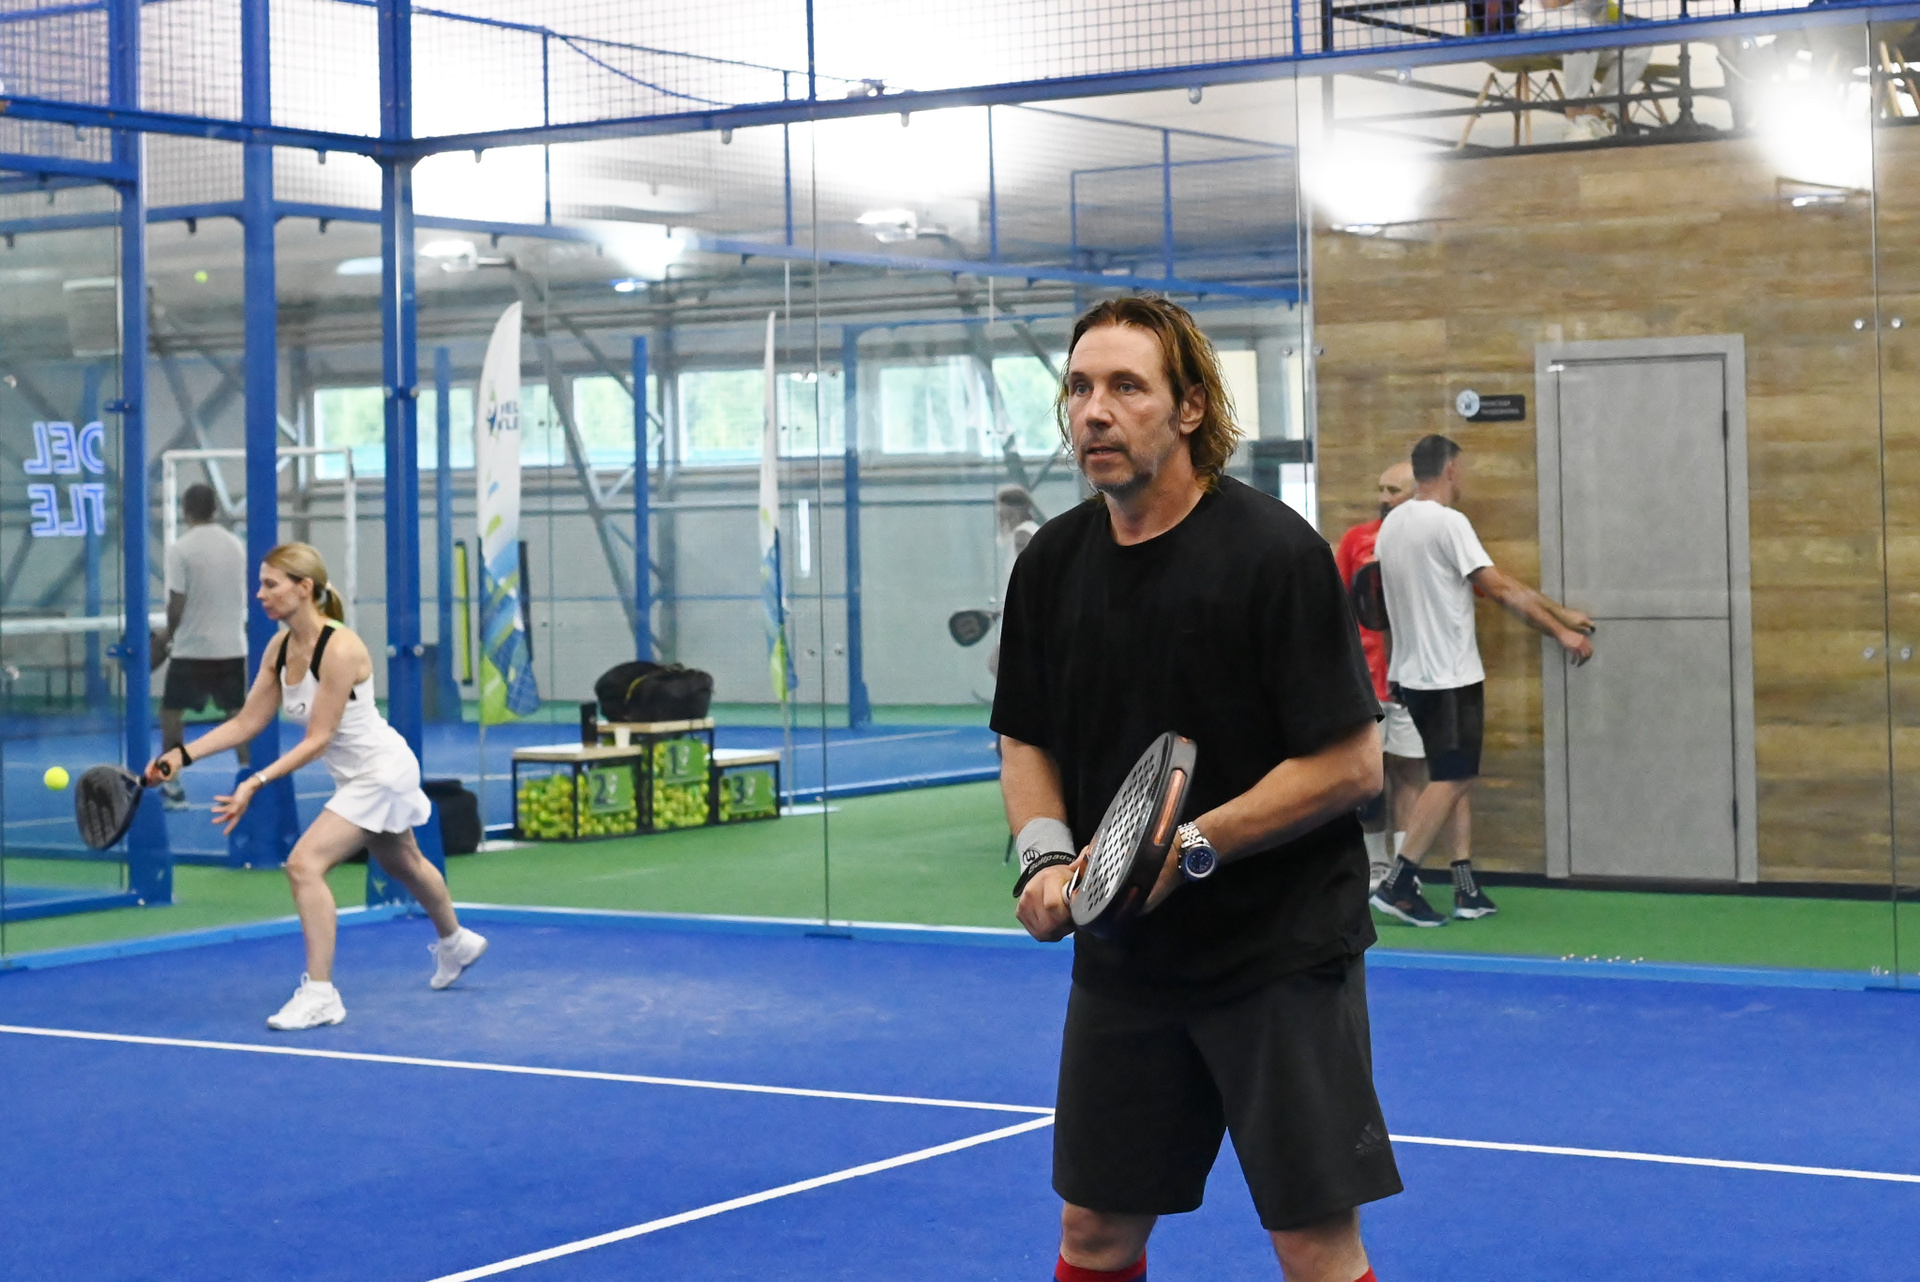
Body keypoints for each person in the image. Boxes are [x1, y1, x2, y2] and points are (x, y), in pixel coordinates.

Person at [997, 296, 1398, 1282]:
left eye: (1126, 387)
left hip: (1278, 953)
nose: (1095, 411)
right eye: (1080, 388)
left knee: (1312, 1244)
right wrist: (1046, 859)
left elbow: (1351, 765)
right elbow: (1027, 735)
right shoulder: (1050, 564)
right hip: (1127, 956)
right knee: (1094, 1233)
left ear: (1188, 409)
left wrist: (1191, 846)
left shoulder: (1275, 555)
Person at [143, 542, 488, 1029]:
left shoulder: (341, 648)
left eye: (270, 584)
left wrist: (255, 782)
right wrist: (180, 756)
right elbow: (246, 722)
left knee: (304, 865)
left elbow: (319, 738)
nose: (260, 594)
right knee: (402, 860)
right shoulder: (279, 648)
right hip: (357, 775)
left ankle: (321, 994)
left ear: (304, 588)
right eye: (260, 584)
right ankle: (457, 942)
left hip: (382, 771)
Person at [1370, 435, 1595, 927]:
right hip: (1448, 677)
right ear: (1451, 469)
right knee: (1452, 777)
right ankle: (1399, 883)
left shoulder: (1393, 526)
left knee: (1454, 776)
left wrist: (1561, 613)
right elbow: (1501, 587)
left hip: (1412, 676)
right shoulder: (1448, 523)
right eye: (1463, 469)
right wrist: (1561, 631)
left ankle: (1464, 887)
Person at [1332, 462, 1426, 893]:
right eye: (1382, 489)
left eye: (1394, 490)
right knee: (1370, 779)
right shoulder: (1357, 539)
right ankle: (1375, 865)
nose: (1385, 498)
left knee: (1409, 772)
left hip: (1414, 679)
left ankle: (1406, 872)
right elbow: (1336, 604)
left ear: (1416, 492)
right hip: (1366, 680)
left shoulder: (1430, 536)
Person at [158, 483, 251, 810]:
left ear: (185, 510)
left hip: (192, 648)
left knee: (171, 714)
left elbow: (177, 604)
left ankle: (173, 787)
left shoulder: (180, 549)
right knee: (239, 717)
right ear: (215, 509)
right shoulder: (237, 546)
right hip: (231, 646)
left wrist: (166, 638)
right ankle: (248, 779)